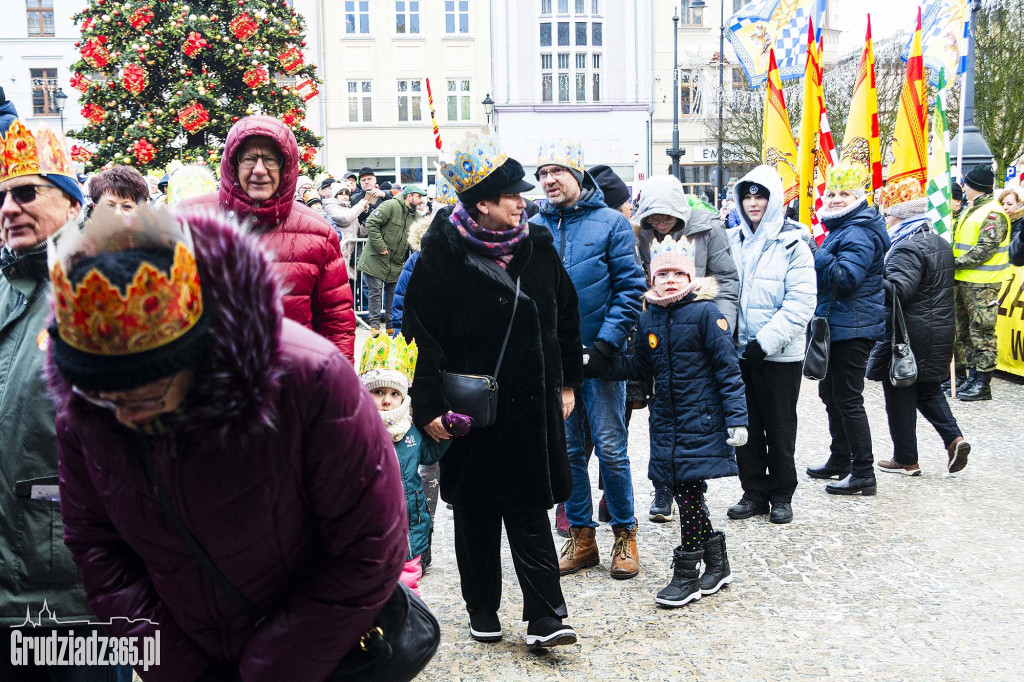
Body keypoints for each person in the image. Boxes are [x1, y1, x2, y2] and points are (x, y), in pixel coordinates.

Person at [47, 205, 408, 682]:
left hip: (315, 661)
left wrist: (267, 671)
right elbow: (98, 550)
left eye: (148, 395)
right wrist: (180, 669)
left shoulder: (309, 381)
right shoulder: (87, 408)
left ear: (200, 356)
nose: (127, 417)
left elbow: (369, 549)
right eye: (108, 399)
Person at [402, 134, 583, 648]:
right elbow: (420, 335)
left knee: (530, 510)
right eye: (510, 195)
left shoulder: (538, 246)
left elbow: (566, 317)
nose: (522, 201)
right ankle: (482, 607)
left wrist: (568, 380)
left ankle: (546, 616)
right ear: (481, 202)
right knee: (477, 513)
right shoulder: (439, 255)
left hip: (530, 404)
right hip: (470, 409)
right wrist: (430, 404)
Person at [0, 121, 130, 681]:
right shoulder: (4, 288)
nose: (9, 208)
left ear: (73, 200)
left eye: (26, 192)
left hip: (80, 599)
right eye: (1, 196)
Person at [605, 234, 747, 607]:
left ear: (691, 278)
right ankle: (717, 564)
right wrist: (599, 362)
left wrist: (737, 418)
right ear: (651, 280)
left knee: (686, 491)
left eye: (677, 273)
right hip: (667, 420)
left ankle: (687, 571)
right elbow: (639, 365)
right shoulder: (649, 316)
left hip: (700, 419)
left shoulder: (705, 313)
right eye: (662, 273)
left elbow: (727, 369)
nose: (670, 279)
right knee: (686, 491)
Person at [530, 139, 646, 580]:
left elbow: (630, 289)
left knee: (612, 448)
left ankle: (624, 534)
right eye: (542, 173)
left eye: (557, 170)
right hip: (552, 361)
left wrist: (605, 347)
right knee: (568, 451)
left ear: (577, 174)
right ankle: (582, 536)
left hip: (599, 360)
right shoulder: (534, 226)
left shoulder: (612, 224)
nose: (548, 180)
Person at [181, 115, 356, 362]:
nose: (259, 170)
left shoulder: (318, 233)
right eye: (250, 159)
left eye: (271, 160)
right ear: (233, 164)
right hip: (207, 386)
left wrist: (338, 389)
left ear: (286, 168)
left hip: (291, 385)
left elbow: (336, 322)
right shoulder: (189, 221)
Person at [632, 173, 739, 521]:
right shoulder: (640, 234)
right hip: (658, 327)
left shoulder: (708, 228)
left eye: (666, 216)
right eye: (653, 217)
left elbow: (726, 280)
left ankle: (693, 489)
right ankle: (664, 488)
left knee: (694, 418)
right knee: (662, 417)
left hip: (699, 324)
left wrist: (714, 330)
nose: (660, 223)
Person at [725, 167, 815, 524]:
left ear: (774, 199)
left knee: (778, 427)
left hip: (779, 355)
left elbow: (801, 302)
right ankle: (753, 492)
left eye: (759, 195)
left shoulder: (794, 244)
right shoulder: (731, 240)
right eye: (747, 196)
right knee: (743, 426)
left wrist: (765, 341)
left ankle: (781, 493)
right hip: (738, 352)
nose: (753, 203)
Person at [867, 178, 971, 476]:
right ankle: (955, 439)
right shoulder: (938, 242)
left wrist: (872, 279)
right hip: (936, 329)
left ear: (900, 215)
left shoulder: (906, 248)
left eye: (888, 215)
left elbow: (899, 290)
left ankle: (906, 459)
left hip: (908, 333)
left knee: (899, 388)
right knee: (926, 389)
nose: (886, 220)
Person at [357, 334, 470, 592]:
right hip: (370, 527)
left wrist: (450, 430)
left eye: (394, 393)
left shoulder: (409, 431)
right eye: (378, 391)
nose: (387, 399)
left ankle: (409, 624)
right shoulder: (358, 431)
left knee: (409, 583)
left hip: (410, 524)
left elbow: (429, 453)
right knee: (373, 586)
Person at [805, 160, 890, 496]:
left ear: (858, 197)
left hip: (854, 327)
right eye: (832, 192)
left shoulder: (857, 230)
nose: (836, 198)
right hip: (839, 324)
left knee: (848, 399)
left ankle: (864, 473)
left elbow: (846, 277)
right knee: (831, 394)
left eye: (844, 193)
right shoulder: (845, 228)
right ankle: (840, 458)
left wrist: (815, 251)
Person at [950, 165, 1012, 401]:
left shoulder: (993, 213)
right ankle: (971, 376)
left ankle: (983, 383)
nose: (963, 188)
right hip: (964, 281)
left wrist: (954, 262)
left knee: (982, 333)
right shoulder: (971, 210)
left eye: (966, 184)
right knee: (963, 333)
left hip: (983, 285)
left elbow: (984, 250)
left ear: (975, 186)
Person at [358, 184, 426, 336]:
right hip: (375, 258)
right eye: (419, 196)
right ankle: (375, 326)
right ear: (409, 196)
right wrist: (380, 246)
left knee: (393, 294)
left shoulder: (416, 216)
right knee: (375, 293)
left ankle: (390, 326)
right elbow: (371, 223)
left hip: (395, 262)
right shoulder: (391, 205)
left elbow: (416, 239)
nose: (421, 200)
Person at [391, 214, 432, 337]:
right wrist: (399, 331)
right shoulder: (415, 260)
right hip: (418, 328)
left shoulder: (453, 260)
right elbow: (400, 296)